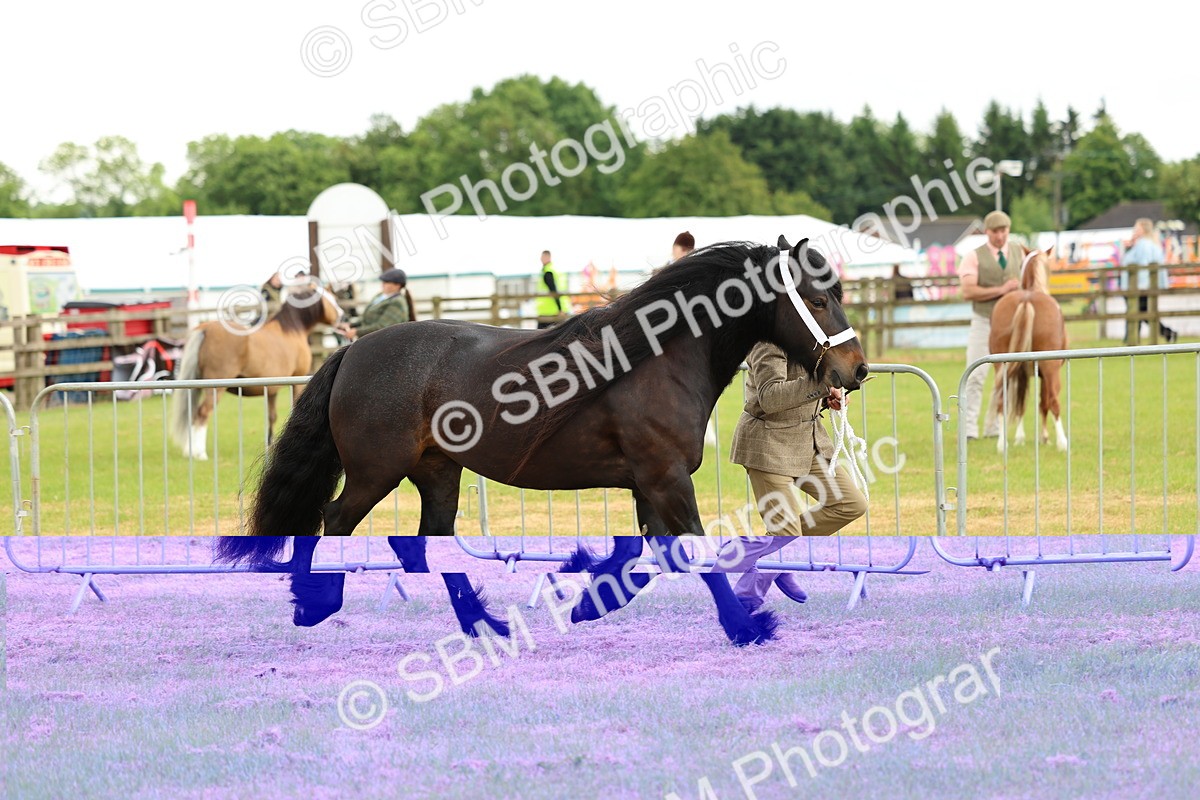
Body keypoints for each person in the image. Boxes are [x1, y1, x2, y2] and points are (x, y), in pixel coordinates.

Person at [710, 342, 869, 612]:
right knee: (785, 532)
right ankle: (751, 589)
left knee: (851, 504)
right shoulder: (767, 343)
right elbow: (771, 397)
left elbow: (808, 388)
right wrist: (823, 384)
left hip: (810, 442)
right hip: (768, 445)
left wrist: (830, 396)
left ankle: (763, 554)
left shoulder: (816, 342)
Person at [957, 210, 1023, 440]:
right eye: (996, 232)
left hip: (1011, 324)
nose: (1000, 236)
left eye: (1004, 231)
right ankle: (969, 428)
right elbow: (968, 290)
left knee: (1006, 374)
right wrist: (1001, 290)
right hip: (984, 321)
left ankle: (994, 425)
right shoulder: (973, 256)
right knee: (975, 373)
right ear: (987, 232)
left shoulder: (1018, 251)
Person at [1121, 218, 1175, 344]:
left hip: (1138, 287)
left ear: (1143, 229)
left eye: (1137, 228)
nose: (1134, 230)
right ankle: (1133, 339)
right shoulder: (1146, 244)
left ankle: (1132, 340)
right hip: (1140, 286)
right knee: (1142, 314)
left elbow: (1143, 267)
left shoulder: (1143, 245)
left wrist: (1140, 287)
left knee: (1139, 314)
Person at [335, 268, 412, 341]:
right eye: (383, 282)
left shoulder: (397, 302)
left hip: (385, 343)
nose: (383, 284)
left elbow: (383, 327)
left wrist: (356, 332)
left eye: (387, 282)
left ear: (397, 285)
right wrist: (351, 325)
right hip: (372, 341)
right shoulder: (380, 296)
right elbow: (367, 319)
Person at [535, 250, 567, 329]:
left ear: (548, 257)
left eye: (543, 257)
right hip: (553, 310)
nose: (541, 259)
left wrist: (560, 309)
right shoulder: (554, 270)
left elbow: (553, 290)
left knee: (539, 337)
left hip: (549, 311)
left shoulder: (548, 272)